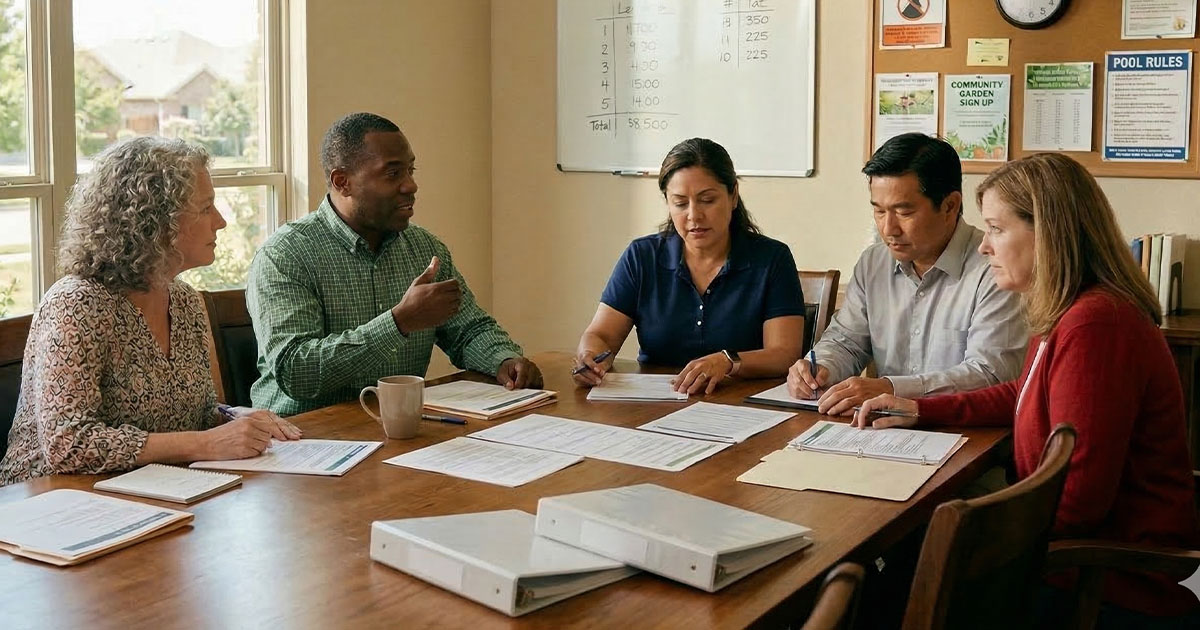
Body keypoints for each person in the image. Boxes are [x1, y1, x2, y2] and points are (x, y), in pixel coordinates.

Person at [855, 153, 1199, 626]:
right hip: (1065, 554)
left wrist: (965, 532)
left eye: (996, 229)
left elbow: (1076, 500)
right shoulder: (1067, 308)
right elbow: (1024, 392)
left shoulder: (1097, 324)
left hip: (1104, 580)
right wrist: (921, 408)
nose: (984, 247)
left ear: (1049, 234)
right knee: (892, 568)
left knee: (890, 581)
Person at [0, 137, 300, 486]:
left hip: (150, 492)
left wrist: (234, 419)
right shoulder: (76, 304)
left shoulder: (186, 301)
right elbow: (68, 444)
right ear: (155, 222)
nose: (220, 222)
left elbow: (192, 415)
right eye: (205, 208)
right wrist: (205, 443)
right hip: (48, 503)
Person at [247, 112, 541, 415]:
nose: (410, 186)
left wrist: (503, 359)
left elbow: (468, 329)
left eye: (411, 171)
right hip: (304, 441)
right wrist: (399, 322)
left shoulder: (425, 248)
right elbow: (297, 371)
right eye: (393, 174)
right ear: (342, 182)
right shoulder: (284, 256)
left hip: (401, 428)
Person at [787, 132, 1026, 415]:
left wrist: (892, 388)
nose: (888, 229)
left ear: (949, 206)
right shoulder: (873, 263)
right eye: (878, 211)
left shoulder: (994, 268)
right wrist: (819, 368)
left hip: (966, 431)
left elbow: (990, 374)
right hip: (883, 430)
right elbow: (846, 341)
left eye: (904, 212)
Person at [574, 138, 805, 395]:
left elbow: (783, 354)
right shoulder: (642, 257)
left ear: (733, 196)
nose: (694, 215)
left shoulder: (771, 259)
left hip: (739, 401)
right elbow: (601, 335)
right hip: (655, 402)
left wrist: (728, 361)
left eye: (707, 200)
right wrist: (590, 356)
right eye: (681, 203)